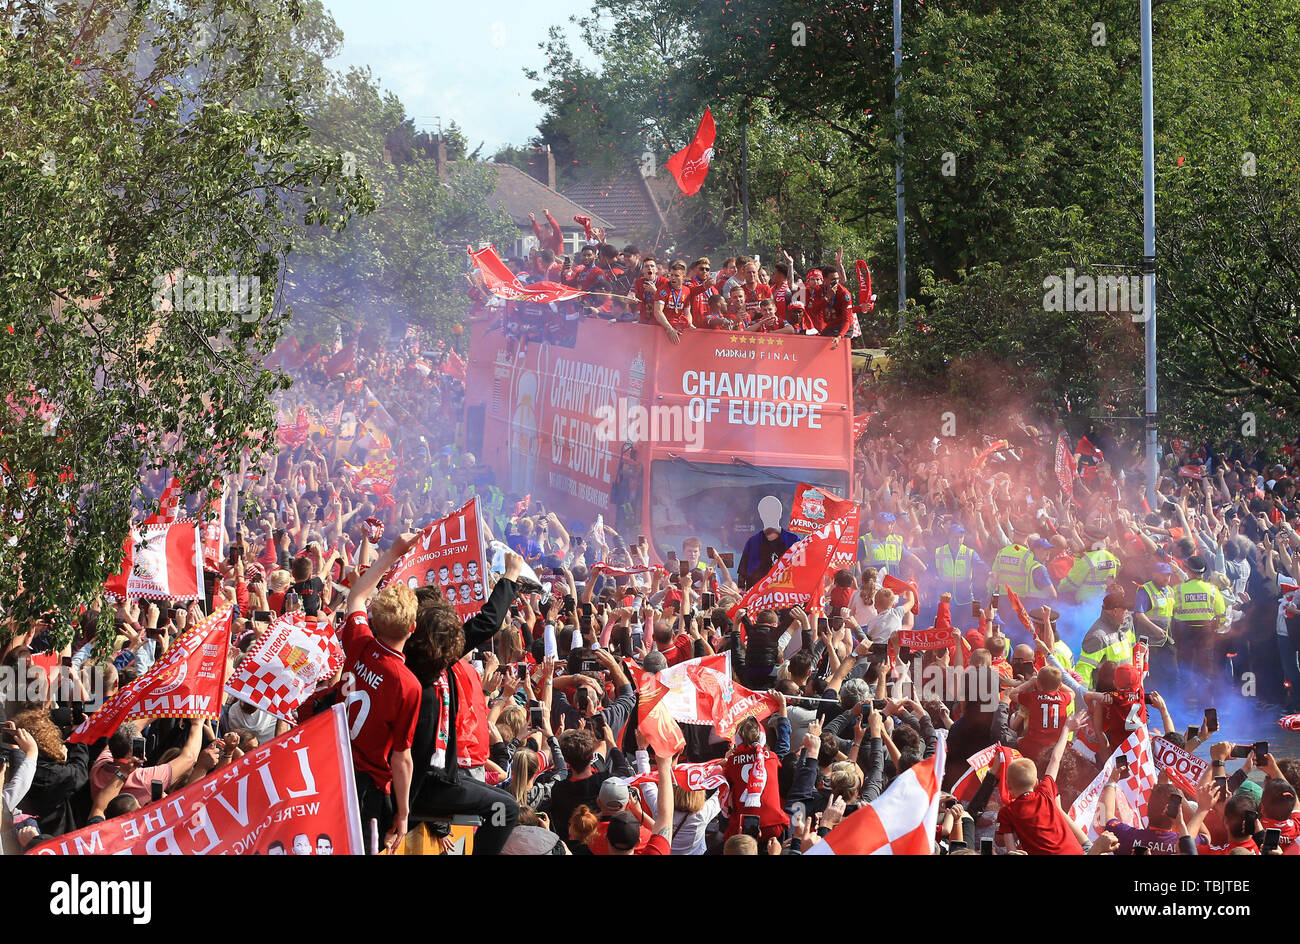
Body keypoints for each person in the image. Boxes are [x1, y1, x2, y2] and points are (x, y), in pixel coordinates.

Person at [405, 552, 524, 855]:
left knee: (506, 803)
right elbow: (486, 624)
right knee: (505, 809)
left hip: (442, 775)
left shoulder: (426, 657)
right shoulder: (424, 662)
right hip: (423, 784)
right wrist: (510, 576)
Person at [340, 532, 424, 854]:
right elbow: (402, 758)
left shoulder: (359, 639)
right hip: (366, 788)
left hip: (334, 763)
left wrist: (392, 551)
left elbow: (357, 596)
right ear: (412, 628)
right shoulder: (408, 685)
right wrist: (403, 814)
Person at [992, 719, 1084, 855]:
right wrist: (1066, 729)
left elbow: (1011, 850)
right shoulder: (1045, 791)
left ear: (1008, 785)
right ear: (1036, 782)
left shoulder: (1008, 812)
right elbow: (1055, 759)